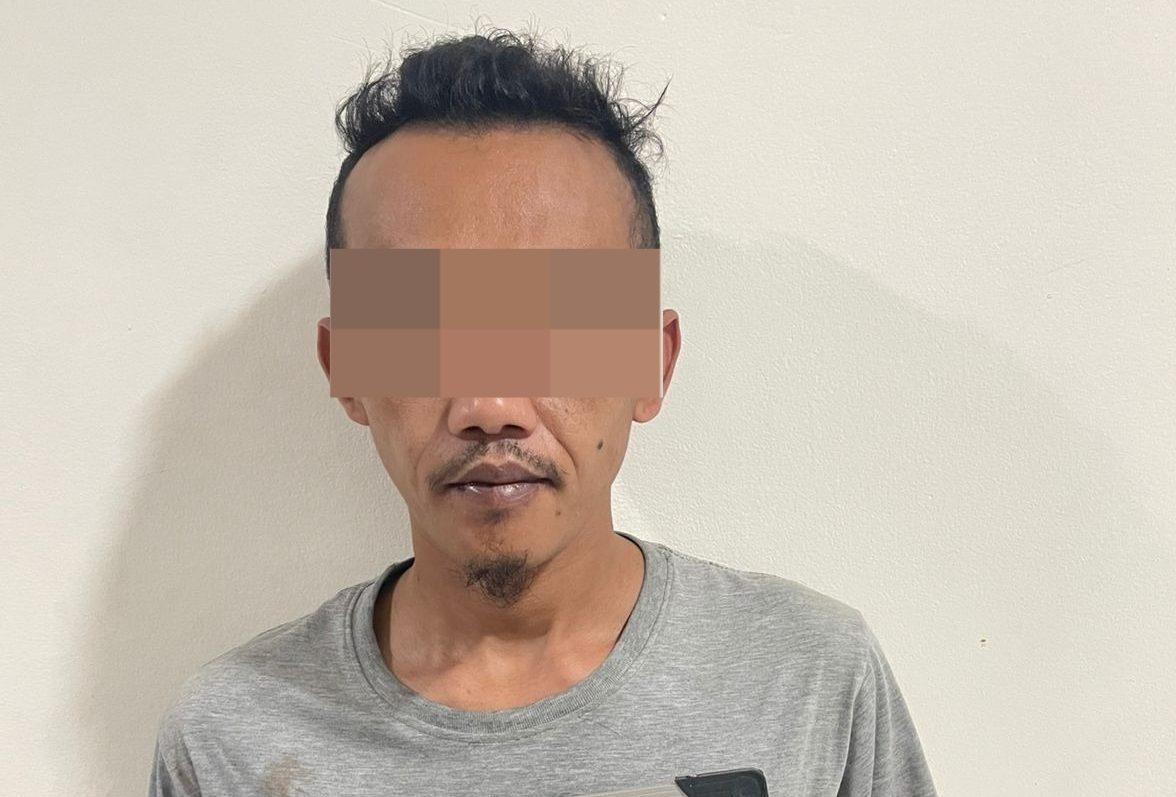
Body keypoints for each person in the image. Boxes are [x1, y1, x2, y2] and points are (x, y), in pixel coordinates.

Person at [148, 26, 938, 797]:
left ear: (652, 363)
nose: (490, 405)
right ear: (345, 368)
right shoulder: (230, 735)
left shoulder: (812, 681)